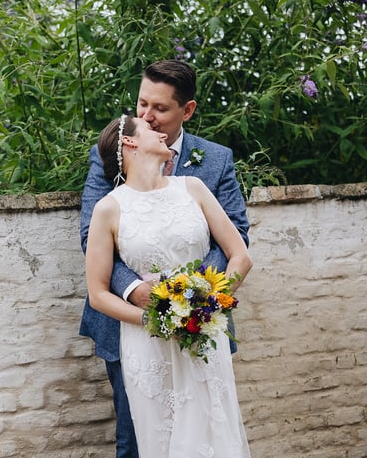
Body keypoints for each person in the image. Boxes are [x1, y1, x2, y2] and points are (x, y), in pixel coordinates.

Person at [78, 60, 250, 458]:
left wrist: (197, 297)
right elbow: (92, 237)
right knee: (138, 441)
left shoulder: (213, 162)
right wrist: (140, 293)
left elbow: (236, 238)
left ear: (186, 110)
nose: (146, 116)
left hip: (201, 322)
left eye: (159, 108)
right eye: (142, 104)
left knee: (210, 433)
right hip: (135, 334)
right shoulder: (111, 151)